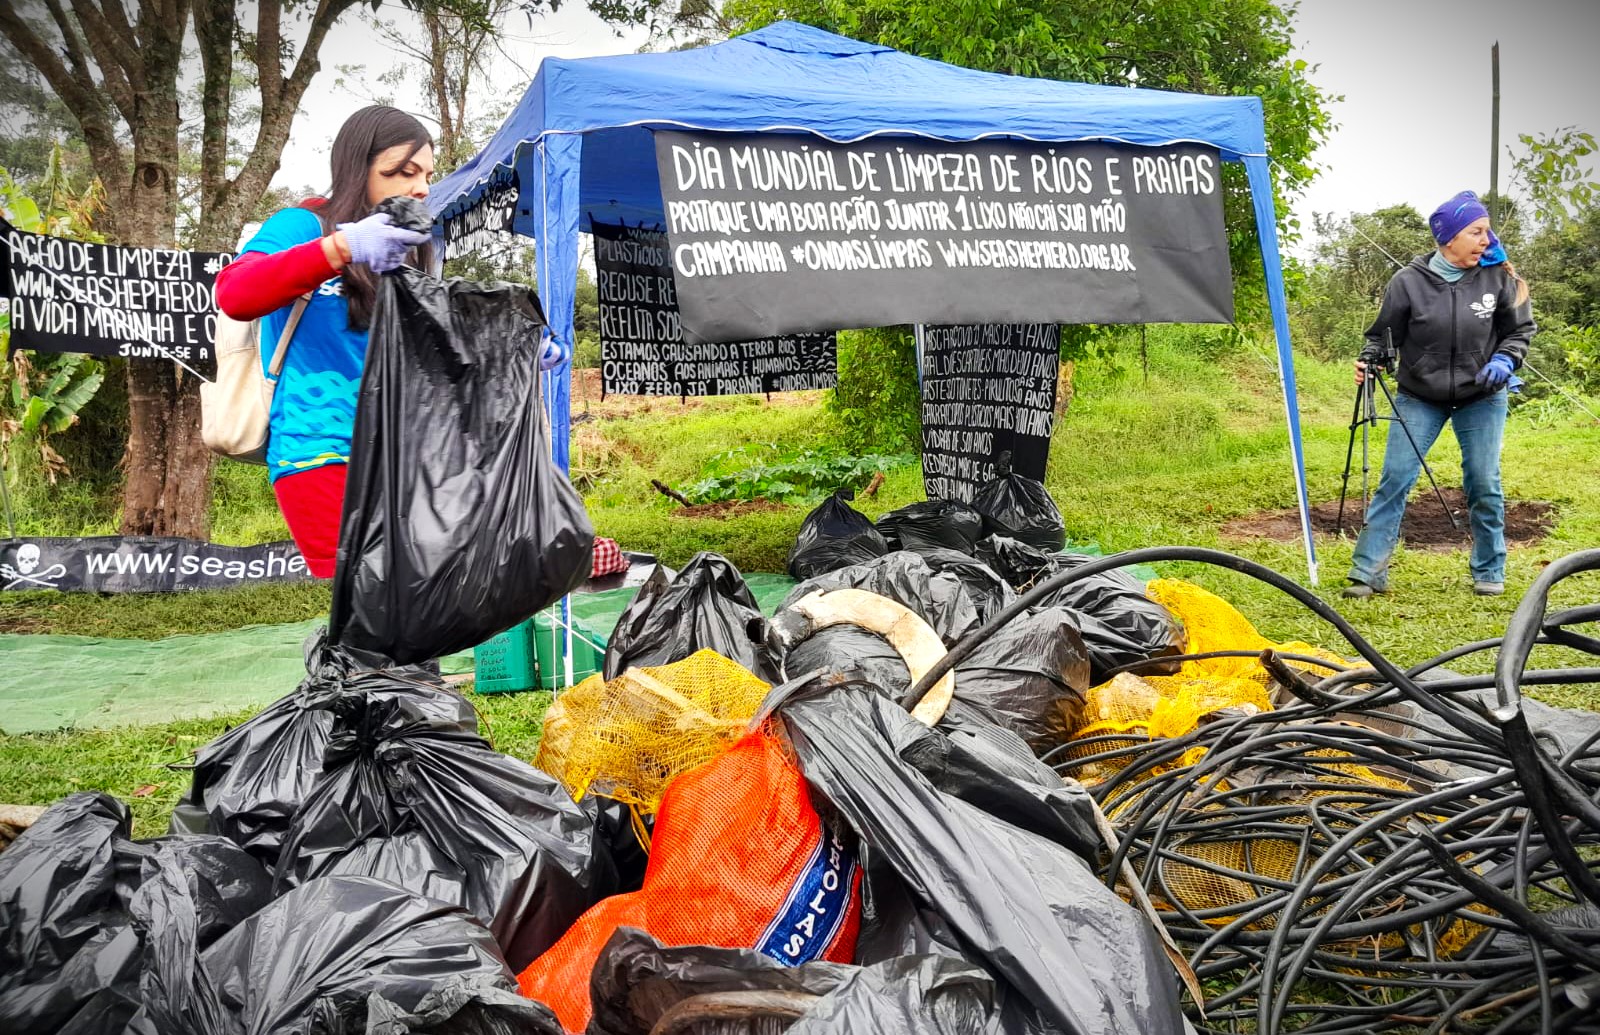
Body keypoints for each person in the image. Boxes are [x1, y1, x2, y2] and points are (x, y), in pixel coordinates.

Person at [216, 106, 438, 578]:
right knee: (373, 603)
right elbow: (235, 293)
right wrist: (341, 248)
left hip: (402, 453)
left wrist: (509, 349)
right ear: (358, 169)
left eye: (426, 175)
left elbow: (429, 351)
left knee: (419, 606)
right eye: (401, 172)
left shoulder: (413, 249)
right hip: (320, 448)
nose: (419, 187)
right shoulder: (305, 225)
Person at [1344, 190, 1534, 599]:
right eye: (1476, 232)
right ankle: (1367, 572)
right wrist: (1370, 361)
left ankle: (1489, 568)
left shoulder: (1497, 277)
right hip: (1419, 395)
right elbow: (1382, 336)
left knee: (1483, 480)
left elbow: (1519, 331)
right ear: (1449, 237)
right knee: (1395, 477)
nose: (1487, 240)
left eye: (1486, 231)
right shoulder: (1407, 282)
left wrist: (1505, 360)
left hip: (1482, 393)